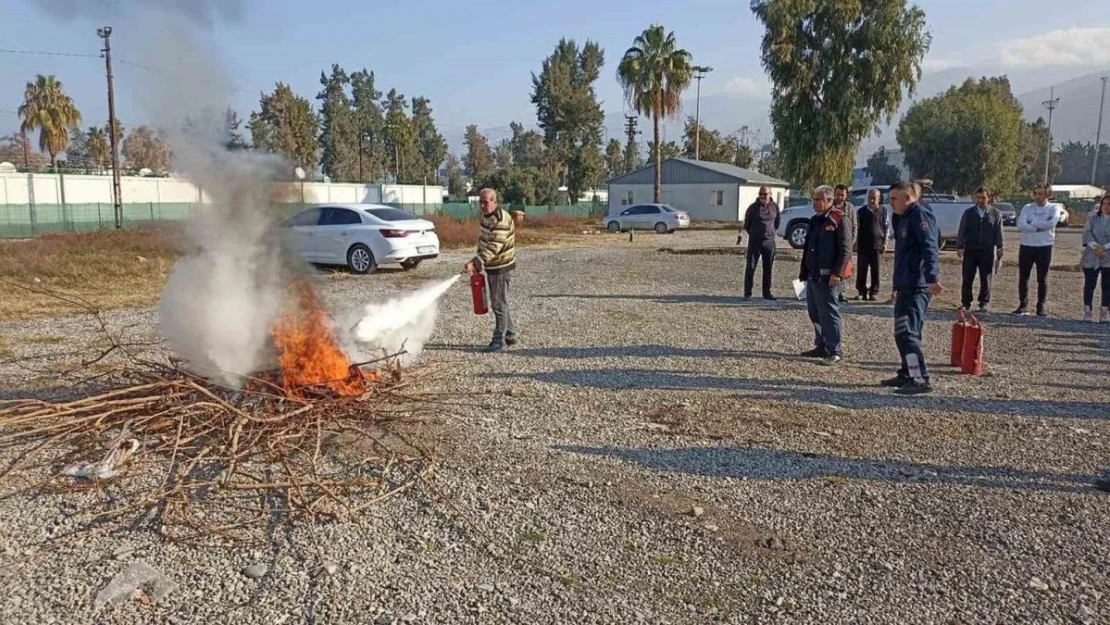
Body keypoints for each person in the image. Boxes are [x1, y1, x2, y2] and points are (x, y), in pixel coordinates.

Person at [884, 181, 943, 395]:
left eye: (893, 199)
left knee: (908, 333)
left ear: (908, 198)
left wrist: (932, 277)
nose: (890, 204)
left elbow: (930, 248)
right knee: (902, 332)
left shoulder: (919, 216)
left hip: (917, 286)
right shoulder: (904, 217)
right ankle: (907, 373)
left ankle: (920, 379)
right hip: (905, 284)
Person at [798, 185, 851, 366]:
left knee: (829, 313)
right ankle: (821, 344)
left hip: (829, 277)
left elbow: (846, 250)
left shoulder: (839, 219)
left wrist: (837, 272)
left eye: (818, 199)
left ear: (829, 200)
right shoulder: (815, 220)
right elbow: (808, 248)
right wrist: (804, 272)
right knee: (815, 312)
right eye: (813, 199)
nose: (814, 203)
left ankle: (834, 350)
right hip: (814, 275)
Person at [464, 188, 517, 352]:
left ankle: (498, 340)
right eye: (480, 202)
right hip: (491, 265)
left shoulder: (501, 219)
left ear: (494, 201)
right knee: (500, 301)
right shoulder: (485, 217)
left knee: (498, 304)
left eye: (485, 202)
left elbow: (494, 246)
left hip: (501, 267)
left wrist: (477, 262)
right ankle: (510, 334)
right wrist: (476, 260)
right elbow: (483, 241)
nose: (482, 205)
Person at [1014, 184, 1063, 316]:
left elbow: (1051, 223)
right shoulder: (1027, 208)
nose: (1037, 196)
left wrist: (1032, 224)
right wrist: (1037, 227)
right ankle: (1023, 305)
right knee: (1023, 277)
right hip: (1026, 245)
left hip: (1044, 246)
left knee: (1042, 278)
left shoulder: (1054, 208)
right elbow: (1020, 224)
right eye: (1036, 193)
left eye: (1041, 194)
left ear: (1048, 195)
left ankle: (1041, 306)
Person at [956, 187, 1004, 313]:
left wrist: (1000, 247)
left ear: (989, 198)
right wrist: (960, 246)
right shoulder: (969, 213)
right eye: (978, 197)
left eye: (983, 197)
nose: (980, 200)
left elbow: (998, 232)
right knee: (967, 277)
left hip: (987, 251)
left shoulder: (995, 213)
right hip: (971, 250)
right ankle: (966, 302)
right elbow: (962, 229)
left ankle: (984, 303)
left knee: (986, 278)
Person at [741, 186, 781, 300]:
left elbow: (777, 222)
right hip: (755, 241)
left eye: (765, 194)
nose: (763, 196)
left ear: (770, 194)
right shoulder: (753, 208)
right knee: (751, 267)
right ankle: (747, 293)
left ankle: (766, 293)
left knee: (768, 268)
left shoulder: (775, 207)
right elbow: (747, 224)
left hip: (769, 242)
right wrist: (754, 233)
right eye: (761, 194)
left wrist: (771, 233)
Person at [855, 189, 890, 300]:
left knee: (876, 270)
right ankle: (861, 291)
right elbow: (856, 228)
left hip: (877, 245)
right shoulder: (861, 212)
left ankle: (873, 292)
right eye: (870, 197)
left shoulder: (883, 211)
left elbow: (887, 227)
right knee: (862, 269)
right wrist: (855, 242)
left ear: (878, 199)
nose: (871, 200)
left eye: (874, 198)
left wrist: (885, 243)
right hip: (863, 245)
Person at [1081, 193, 1110, 322]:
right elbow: (1087, 232)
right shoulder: (1092, 218)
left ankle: (1104, 312)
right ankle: (1087, 311)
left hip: (1108, 256)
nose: (1106, 206)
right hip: (1091, 255)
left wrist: (1104, 248)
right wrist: (1096, 247)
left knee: (1107, 285)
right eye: (1104, 204)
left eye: (1109, 204)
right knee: (1089, 284)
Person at [832, 185, 857, 303]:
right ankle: (832, 290)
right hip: (832, 244)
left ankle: (842, 292)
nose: (840, 197)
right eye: (838, 194)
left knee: (844, 268)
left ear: (846, 195)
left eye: (842, 195)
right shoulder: (830, 206)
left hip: (845, 244)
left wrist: (850, 243)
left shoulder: (850, 208)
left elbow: (854, 226)